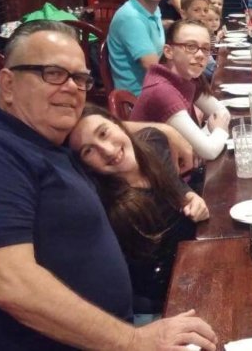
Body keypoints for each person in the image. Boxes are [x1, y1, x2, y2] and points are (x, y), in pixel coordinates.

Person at [0, 20, 217, 350]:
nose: (71, 88)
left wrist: (165, 130)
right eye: (53, 73)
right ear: (7, 84)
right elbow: (9, 283)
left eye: (80, 78)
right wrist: (132, 340)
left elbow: (99, 126)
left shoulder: (49, 141)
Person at [69, 105, 209, 317]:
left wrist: (189, 195)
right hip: (163, 304)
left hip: (196, 265)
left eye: (104, 133)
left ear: (118, 124)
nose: (107, 150)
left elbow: (173, 182)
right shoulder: (112, 210)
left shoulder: (154, 144)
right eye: (88, 151)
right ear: (85, 166)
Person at [130, 20, 231, 161]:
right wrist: (218, 130)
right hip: (158, 171)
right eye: (190, 47)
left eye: (205, 48)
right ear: (168, 51)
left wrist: (206, 135)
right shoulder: (161, 90)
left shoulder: (189, 76)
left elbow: (222, 113)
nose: (200, 55)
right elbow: (209, 151)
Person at [107, 0, 167, 96]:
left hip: (154, 89)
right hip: (137, 99)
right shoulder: (130, 17)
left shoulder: (153, 9)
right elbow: (153, 68)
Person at [180, 0, 219, 78]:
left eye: (205, 10)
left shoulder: (203, 31)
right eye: (196, 10)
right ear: (183, 14)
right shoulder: (186, 35)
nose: (203, 14)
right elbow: (209, 70)